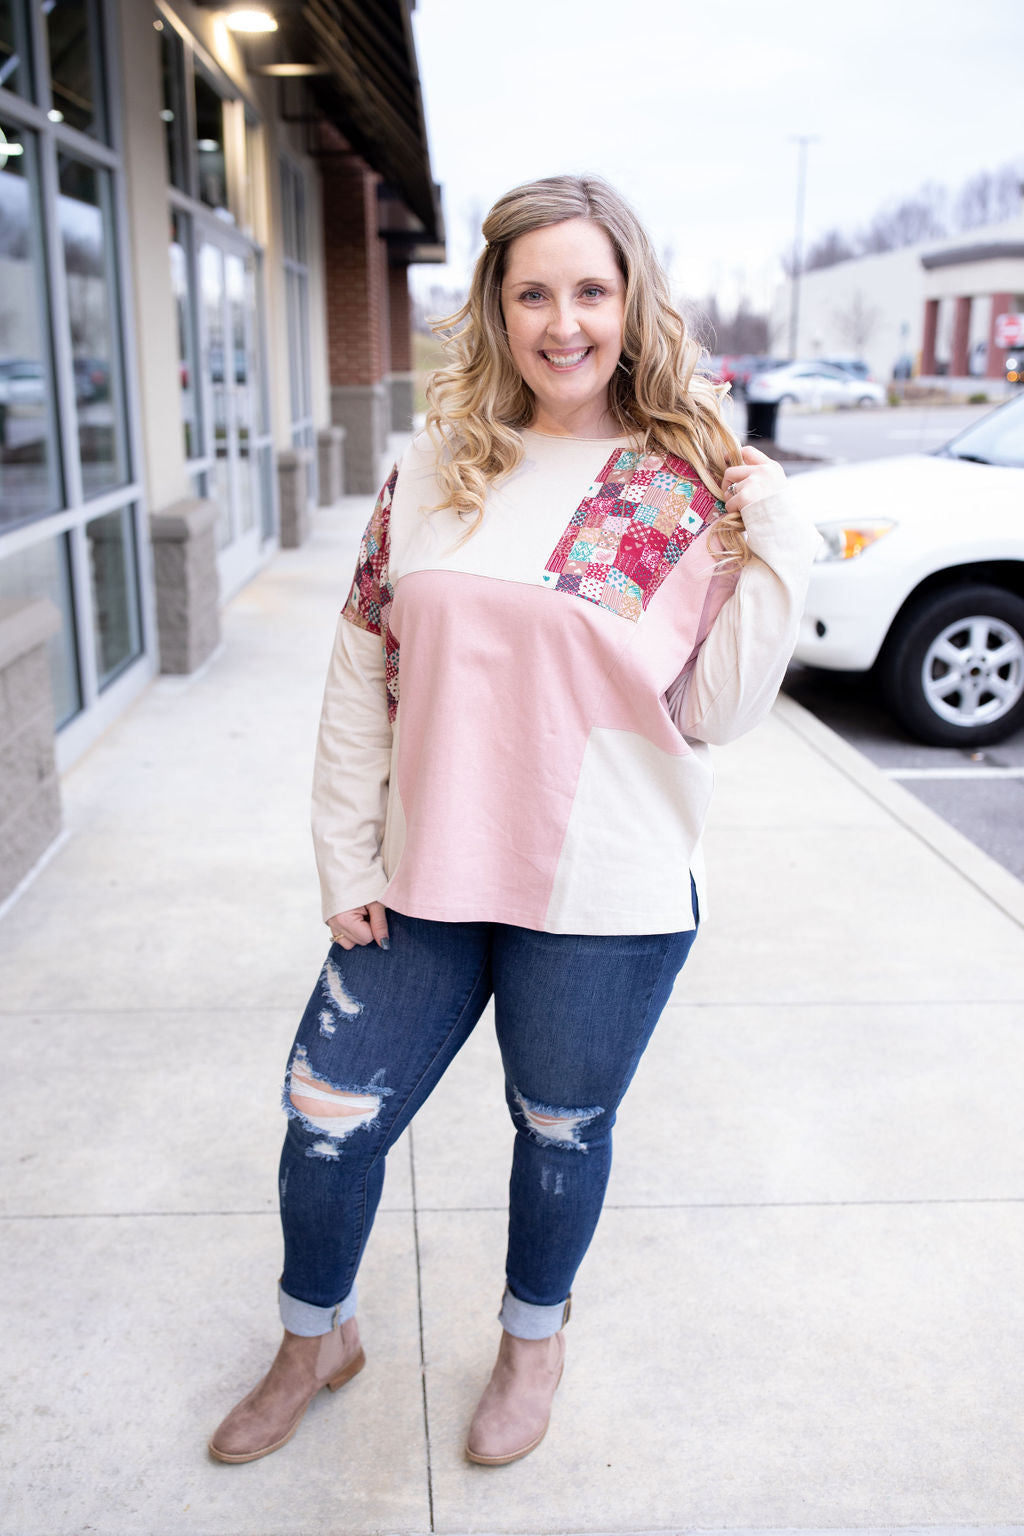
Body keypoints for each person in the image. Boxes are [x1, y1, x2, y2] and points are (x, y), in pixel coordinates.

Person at [208, 174, 820, 1468]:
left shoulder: (679, 487)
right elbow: (360, 675)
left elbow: (715, 710)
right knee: (326, 1113)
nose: (563, 322)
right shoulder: (435, 467)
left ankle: (532, 1342)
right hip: (424, 874)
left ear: (632, 303)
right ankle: (314, 1337)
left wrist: (777, 533)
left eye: (591, 290)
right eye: (533, 292)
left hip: (604, 890)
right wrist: (343, 856)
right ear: (494, 306)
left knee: (557, 1132)